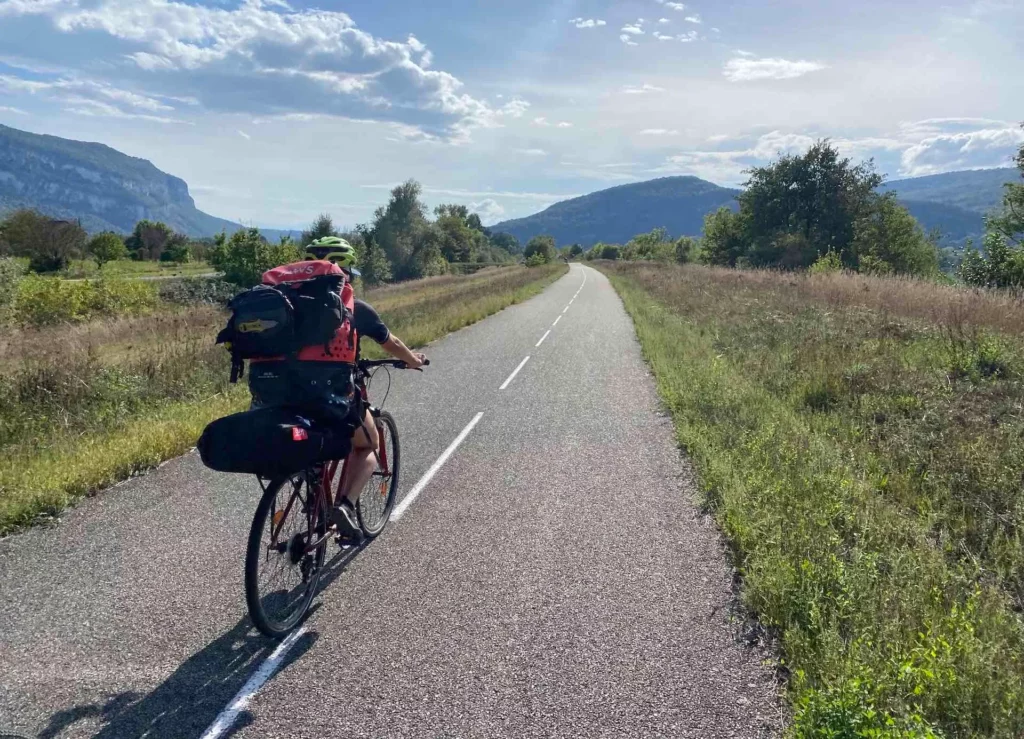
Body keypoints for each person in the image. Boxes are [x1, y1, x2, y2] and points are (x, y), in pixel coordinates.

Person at [301, 237, 426, 539]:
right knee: (369, 444)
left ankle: (313, 501)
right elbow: (391, 343)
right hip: (332, 394)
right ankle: (344, 506)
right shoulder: (355, 307)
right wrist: (413, 360)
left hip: (285, 393)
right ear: (344, 270)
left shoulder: (292, 303)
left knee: (310, 449)